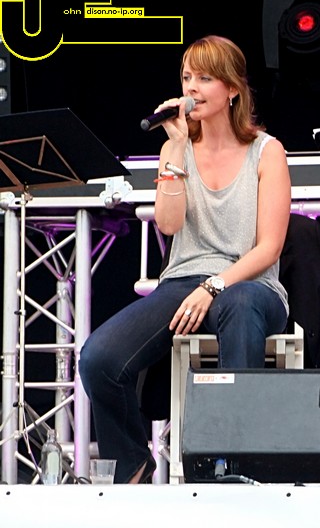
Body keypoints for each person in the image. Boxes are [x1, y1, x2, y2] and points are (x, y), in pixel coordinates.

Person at [79, 35, 291, 484]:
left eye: (205, 78)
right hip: (183, 282)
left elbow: (269, 248)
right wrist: (175, 149)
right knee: (99, 358)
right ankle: (133, 465)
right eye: (186, 77)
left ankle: (235, 466)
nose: (191, 88)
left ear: (232, 89)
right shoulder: (175, 150)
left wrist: (214, 286)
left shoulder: (266, 151)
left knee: (239, 303)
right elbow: (169, 223)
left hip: (250, 286)